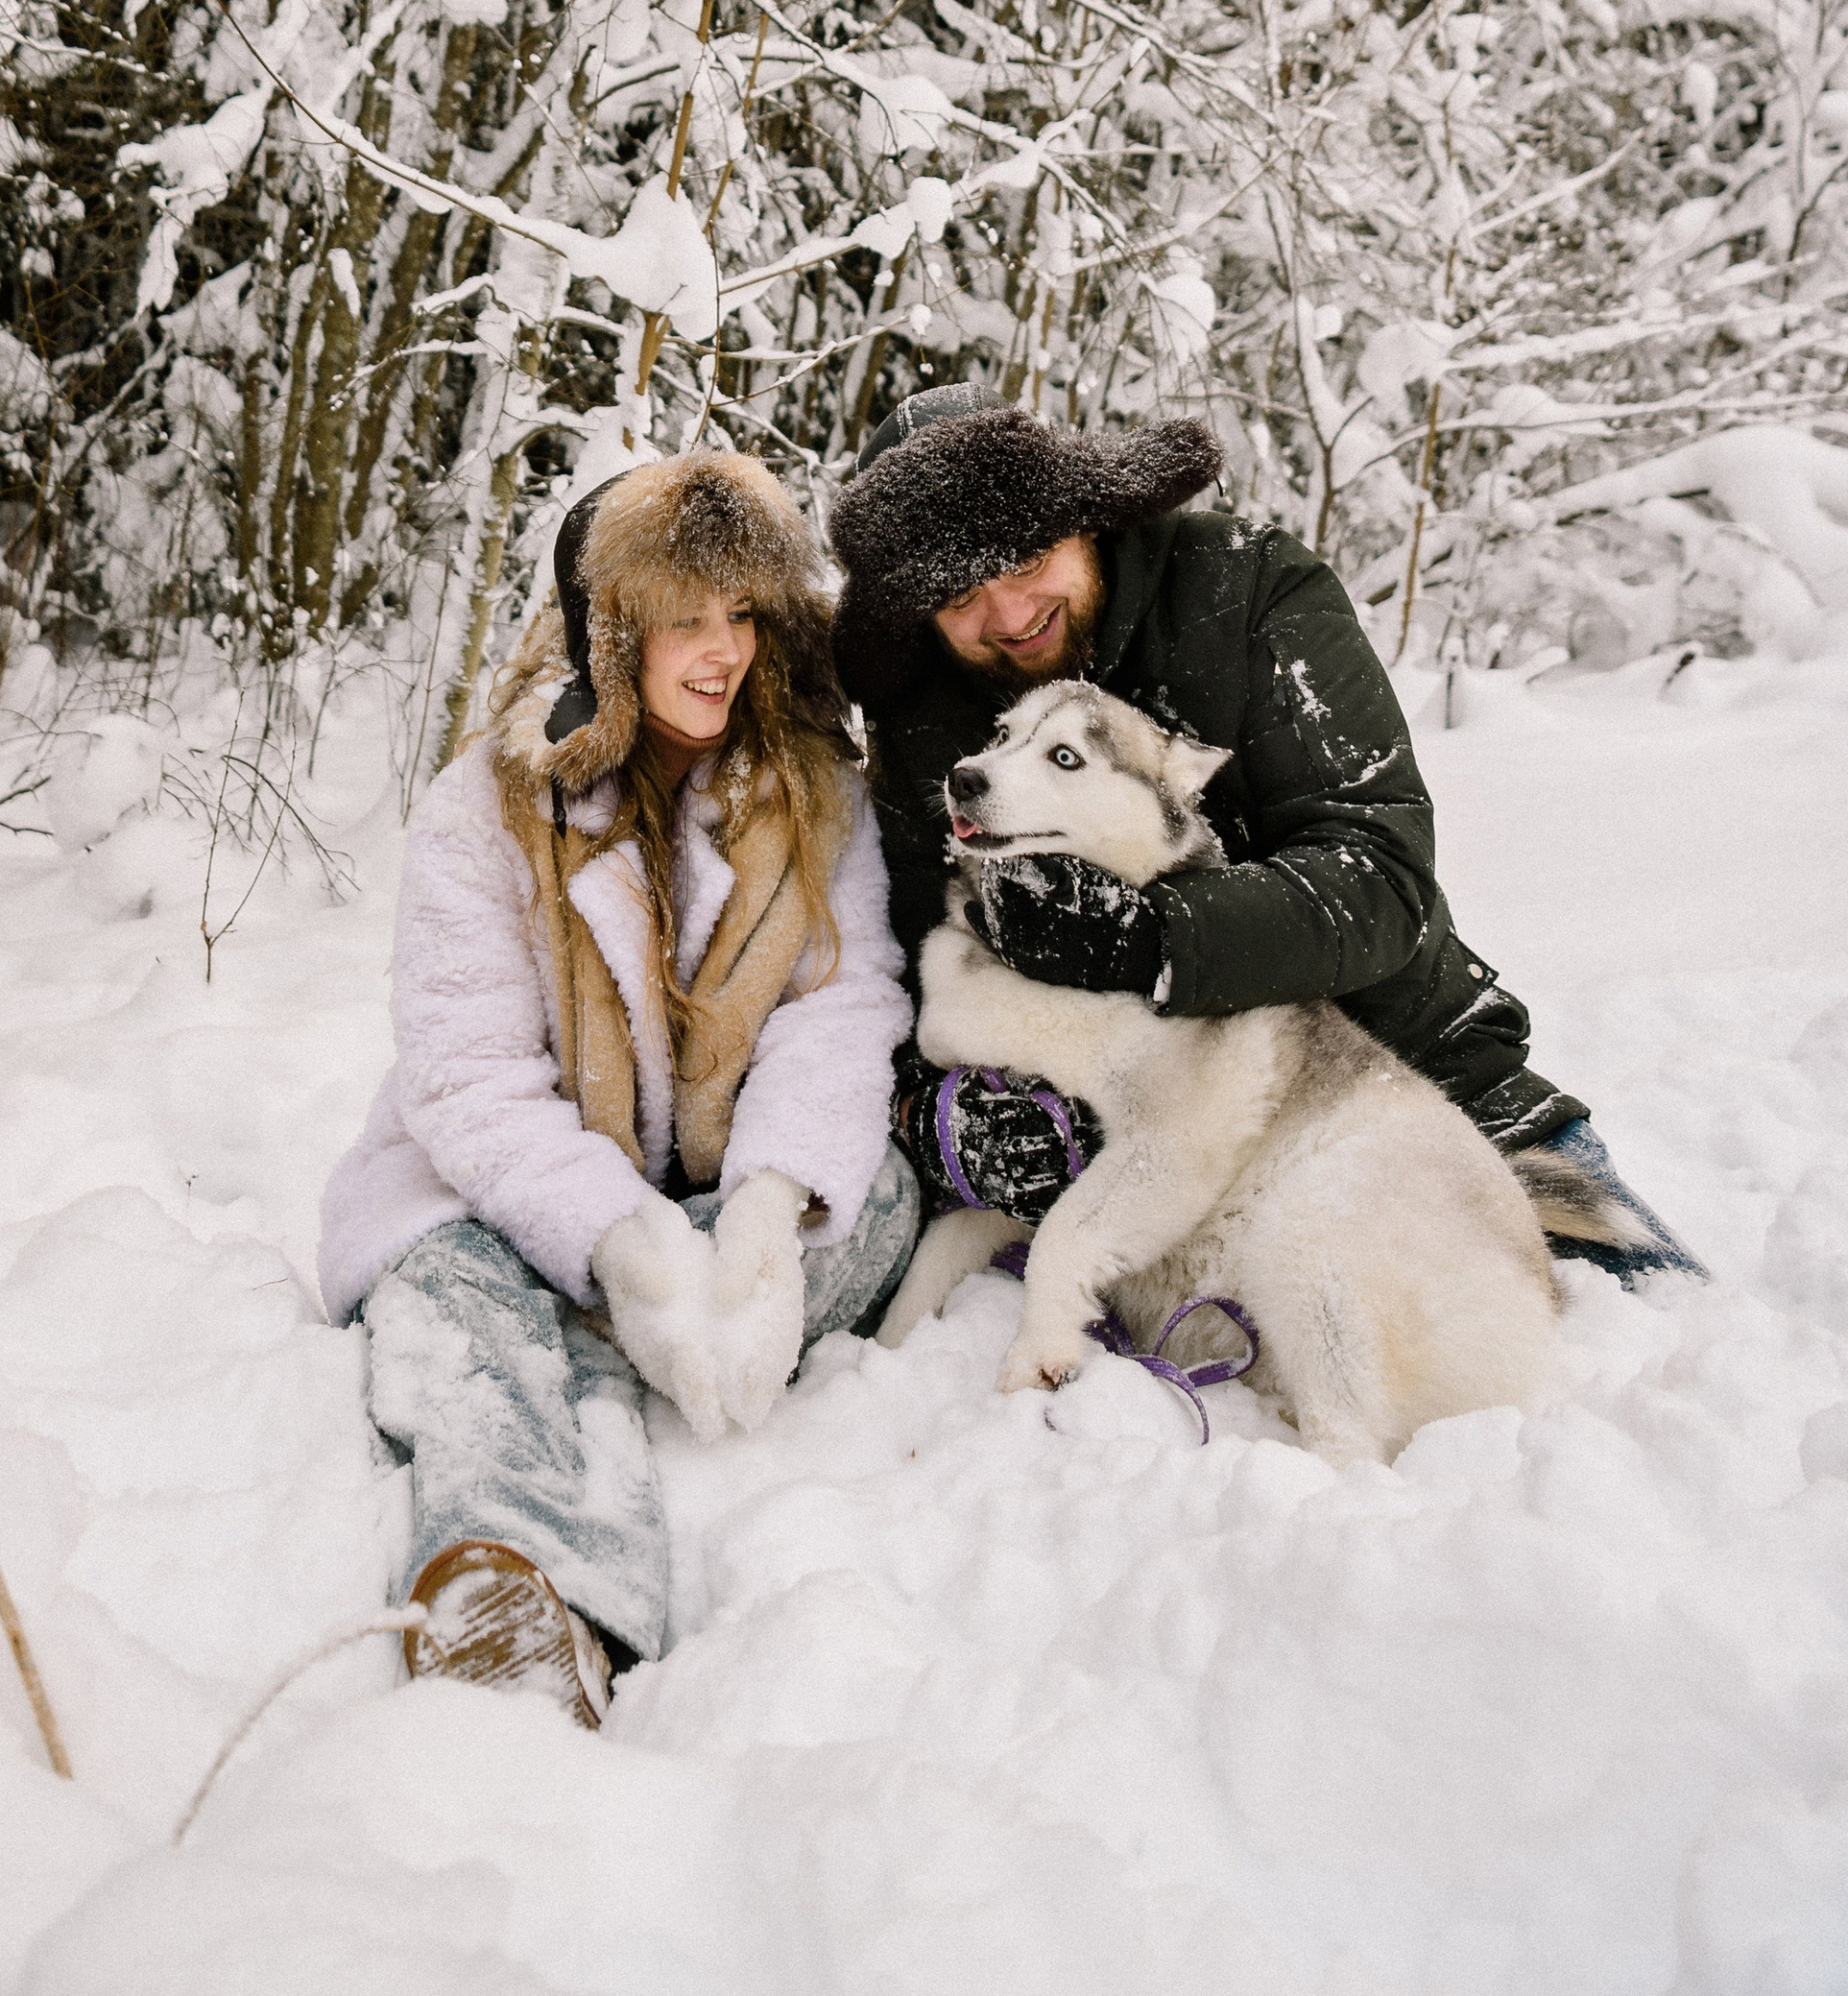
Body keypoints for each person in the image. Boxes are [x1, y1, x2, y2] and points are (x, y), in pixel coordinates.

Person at [827, 386, 1702, 1290]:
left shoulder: (1243, 589)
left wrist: (1156, 940)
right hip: (1148, 1148)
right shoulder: (927, 720)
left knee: (1656, 1353)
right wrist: (928, 1114)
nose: (1008, 615)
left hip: (1417, 1086)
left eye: (1027, 557)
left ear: (1081, 514)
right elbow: (890, 955)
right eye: (961, 595)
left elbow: (1379, 873)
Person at [320, 451, 916, 1727]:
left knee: (883, 1199)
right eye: (684, 619)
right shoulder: (487, 806)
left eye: (745, 615)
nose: (721, 653)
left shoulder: (819, 796)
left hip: (713, 1188)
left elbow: (841, 1007)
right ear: (610, 633)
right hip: (512, 1189)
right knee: (446, 1287)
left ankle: (610, 1338)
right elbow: (467, 1075)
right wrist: (629, 1249)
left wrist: (764, 1222)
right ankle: (521, 1579)